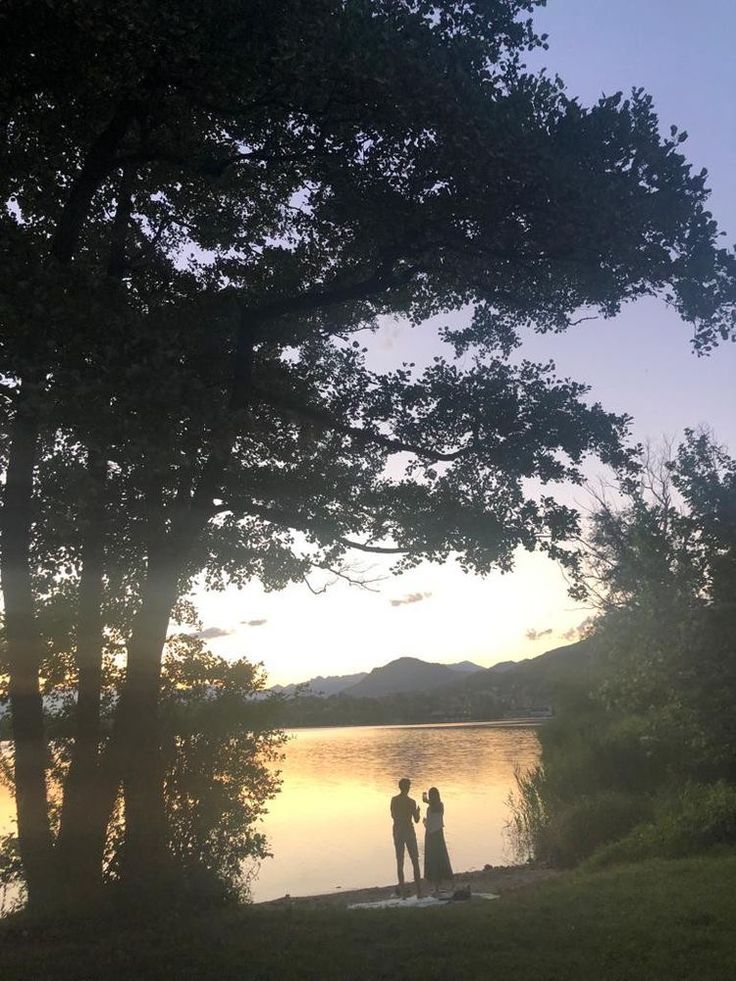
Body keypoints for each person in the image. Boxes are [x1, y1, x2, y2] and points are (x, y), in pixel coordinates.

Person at [390, 777, 422, 899]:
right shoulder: (411, 802)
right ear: (407, 788)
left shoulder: (394, 800)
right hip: (408, 831)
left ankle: (403, 892)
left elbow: (393, 815)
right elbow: (417, 820)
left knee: (400, 861)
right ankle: (419, 891)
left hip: (398, 831)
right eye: (409, 786)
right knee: (415, 860)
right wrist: (417, 812)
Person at [422, 786, 453, 895]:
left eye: (432, 795)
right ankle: (436, 886)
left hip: (437, 835)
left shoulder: (439, 805)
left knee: (438, 858)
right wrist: (425, 823)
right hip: (430, 834)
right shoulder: (431, 806)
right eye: (430, 795)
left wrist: (427, 801)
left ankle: (440, 885)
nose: (431, 797)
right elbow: (431, 822)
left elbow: (436, 809)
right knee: (432, 860)